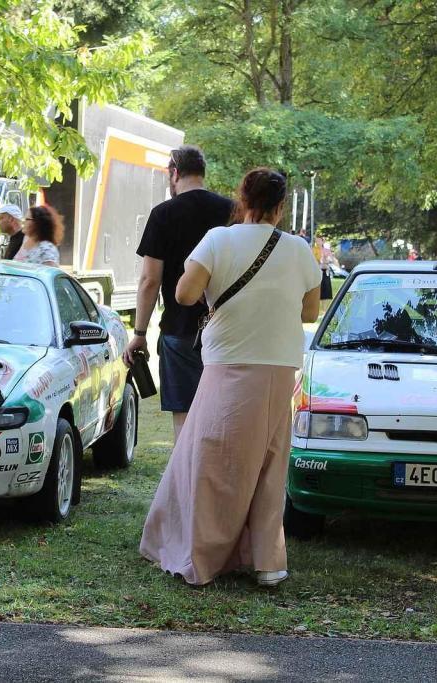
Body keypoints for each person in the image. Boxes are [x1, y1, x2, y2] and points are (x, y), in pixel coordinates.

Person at [140, 167, 322, 588]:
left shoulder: (218, 240)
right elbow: (310, 311)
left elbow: (185, 294)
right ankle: (267, 561)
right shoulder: (298, 249)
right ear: (280, 206)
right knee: (270, 463)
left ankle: (203, 554)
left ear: (243, 200)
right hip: (279, 365)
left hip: (227, 362)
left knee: (212, 457)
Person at [124, 145, 234, 443]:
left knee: (185, 418)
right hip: (227, 330)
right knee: (223, 416)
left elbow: (150, 280)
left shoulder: (163, 214)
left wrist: (139, 333)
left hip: (179, 330)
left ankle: (186, 471)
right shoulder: (231, 211)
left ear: (174, 173)